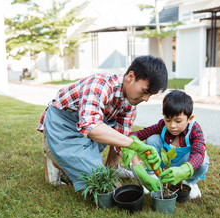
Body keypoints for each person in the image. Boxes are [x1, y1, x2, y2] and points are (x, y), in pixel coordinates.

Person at [37, 55, 168, 192]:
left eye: (150, 95)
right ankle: (54, 160)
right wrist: (135, 144)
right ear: (130, 77)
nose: (146, 99)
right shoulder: (100, 84)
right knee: (104, 184)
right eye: (145, 91)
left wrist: (140, 172)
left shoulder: (130, 102)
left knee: (109, 180)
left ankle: (112, 167)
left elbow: (122, 137)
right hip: (62, 129)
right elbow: (90, 127)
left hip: (84, 132)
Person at [129, 90, 209, 199]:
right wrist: (132, 138)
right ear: (163, 116)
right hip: (165, 165)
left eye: (178, 121)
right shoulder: (162, 125)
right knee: (152, 139)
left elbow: (198, 153)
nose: (172, 126)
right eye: (168, 119)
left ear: (189, 118)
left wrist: (184, 170)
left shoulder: (195, 130)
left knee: (202, 160)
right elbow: (140, 134)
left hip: (184, 166)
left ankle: (189, 182)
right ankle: (153, 174)